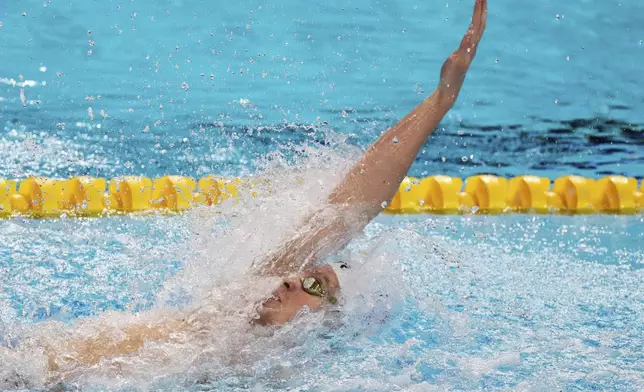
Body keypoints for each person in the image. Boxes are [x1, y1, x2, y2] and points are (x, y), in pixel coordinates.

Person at [22, 0, 488, 380]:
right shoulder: (242, 301)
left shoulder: (275, 368)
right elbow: (354, 204)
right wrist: (440, 101)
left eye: (314, 285)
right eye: (308, 273)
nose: (290, 279)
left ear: (327, 321)